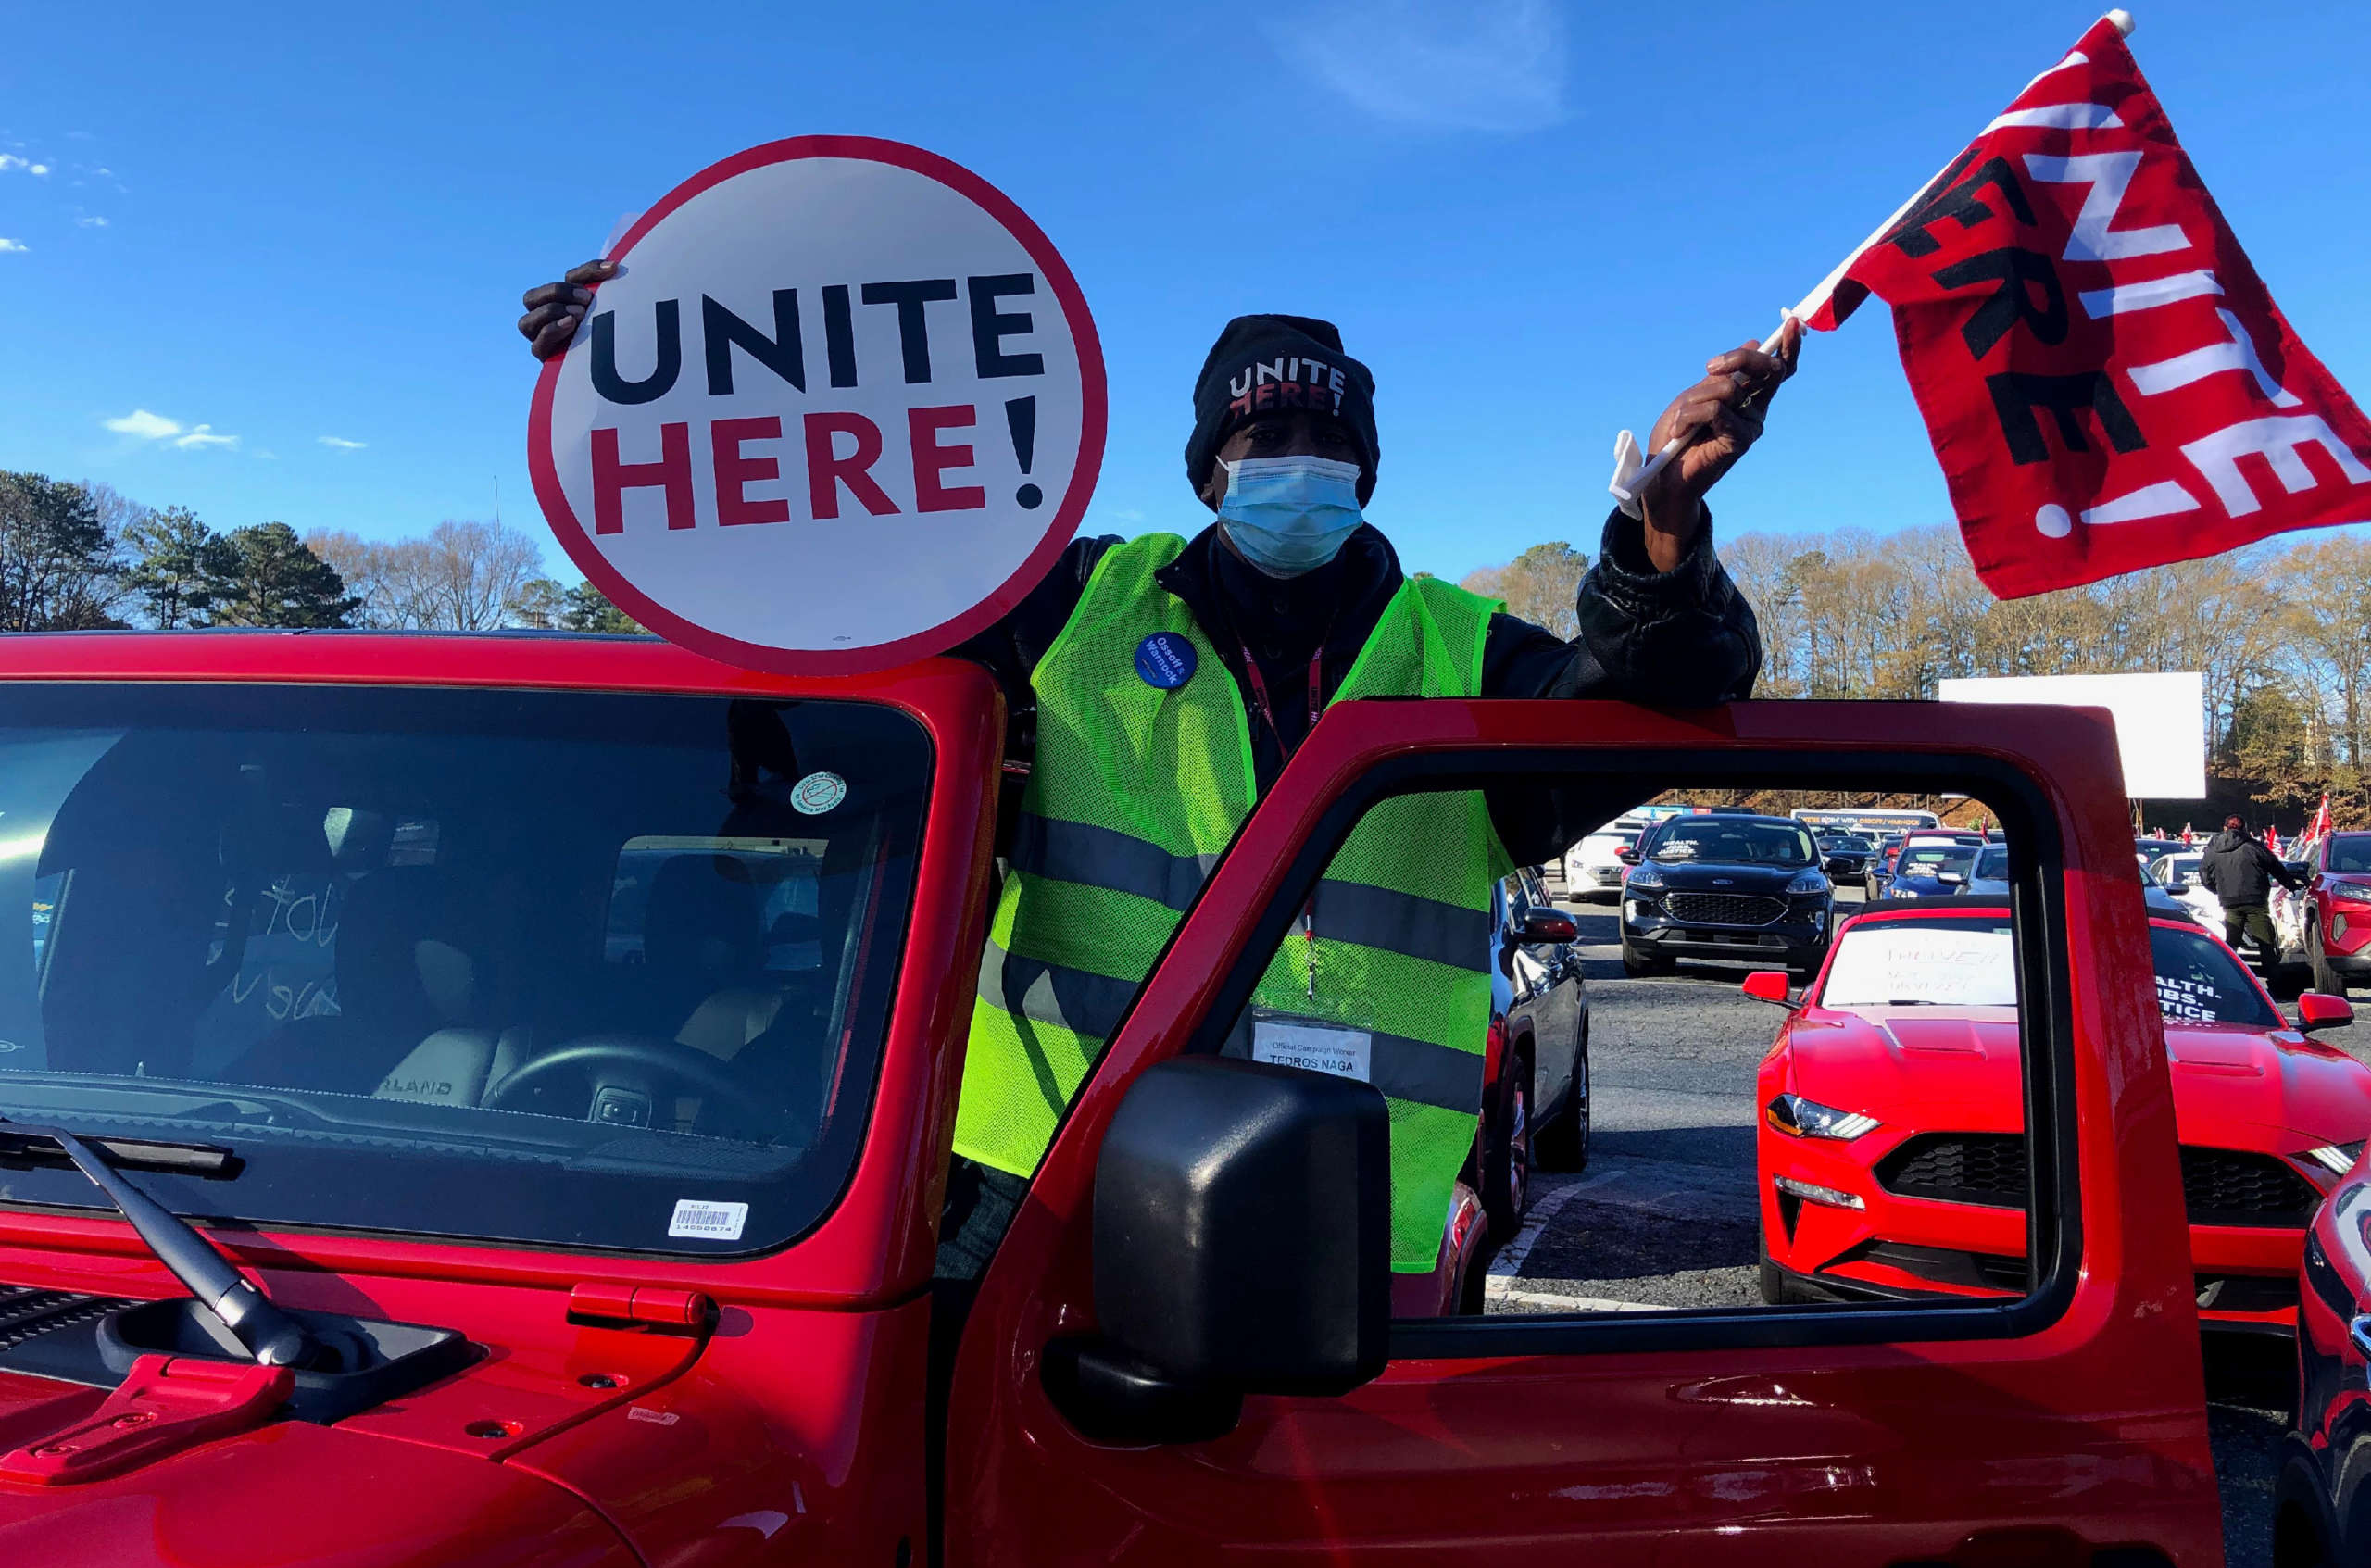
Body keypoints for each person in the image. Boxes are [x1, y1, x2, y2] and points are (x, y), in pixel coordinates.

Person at [521, 264, 1798, 1279]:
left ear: (1365, 467)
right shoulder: (1068, 605)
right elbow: (831, 621)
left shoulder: (1458, 652)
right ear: (1204, 471)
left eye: (1322, 435)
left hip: (1342, 1208)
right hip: (1039, 1183)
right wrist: (648, 382)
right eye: (1262, 435)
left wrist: (1659, 529)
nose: (1295, 458)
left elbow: (1663, 698)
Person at [2198, 815, 2302, 975]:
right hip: (2255, 901)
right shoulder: (2254, 846)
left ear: (2225, 828)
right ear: (2244, 829)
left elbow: (2205, 875)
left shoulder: (2213, 849)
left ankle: (2225, 976)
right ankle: (2274, 981)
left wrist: (2219, 890)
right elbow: (2276, 867)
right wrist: (2291, 885)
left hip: (2229, 902)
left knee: (2232, 942)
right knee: (2265, 942)